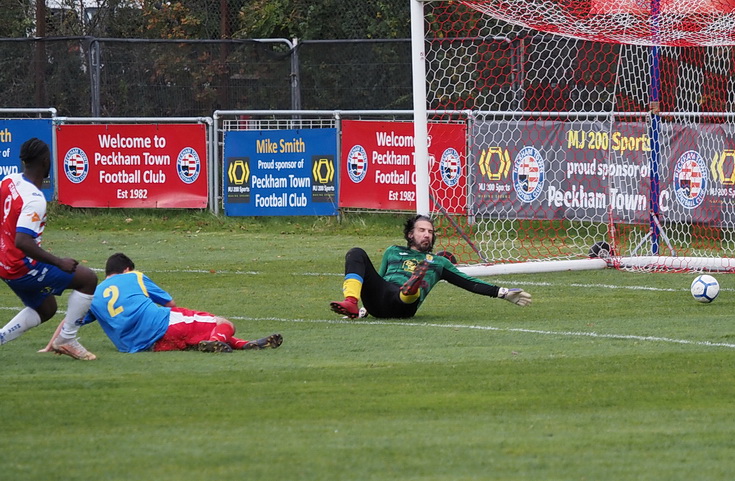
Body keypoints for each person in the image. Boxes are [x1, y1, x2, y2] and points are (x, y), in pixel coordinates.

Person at [0, 138, 99, 360]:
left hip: (4, 264)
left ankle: (1, 337)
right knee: (87, 279)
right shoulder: (34, 198)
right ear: (46, 161)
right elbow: (23, 242)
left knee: (46, 309)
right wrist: (58, 262)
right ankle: (67, 339)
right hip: (20, 265)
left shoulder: (8, 180)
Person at [330, 214, 532, 319]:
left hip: (403, 306)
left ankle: (412, 285)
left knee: (408, 291)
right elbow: (378, 279)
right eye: (422, 230)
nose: (427, 234)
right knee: (356, 253)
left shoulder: (438, 262)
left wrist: (503, 293)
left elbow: (469, 283)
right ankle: (351, 302)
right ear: (410, 234)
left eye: (430, 231)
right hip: (378, 301)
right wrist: (366, 310)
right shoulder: (392, 251)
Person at [80, 252, 283, 353]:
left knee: (200, 334)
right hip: (162, 326)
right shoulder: (134, 276)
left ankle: (246, 344)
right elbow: (170, 303)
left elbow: (76, 321)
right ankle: (216, 342)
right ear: (126, 269)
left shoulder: (95, 295)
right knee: (224, 323)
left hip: (139, 346)